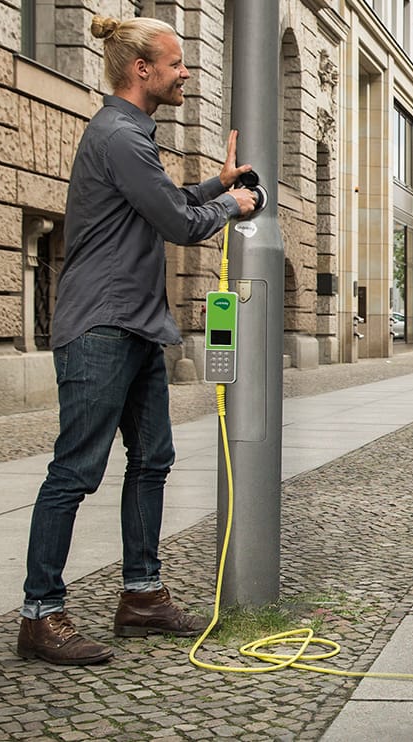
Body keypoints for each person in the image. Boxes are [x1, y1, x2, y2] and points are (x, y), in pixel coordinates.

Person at [17, 14, 257, 665]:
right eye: (176, 63)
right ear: (140, 69)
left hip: (136, 328)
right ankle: (40, 613)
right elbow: (178, 224)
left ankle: (142, 596)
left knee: (152, 460)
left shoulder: (130, 137)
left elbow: (162, 201)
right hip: (100, 329)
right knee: (74, 472)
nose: (186, 73)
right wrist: (231, 207)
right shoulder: (119, 134)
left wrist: (218, 183)